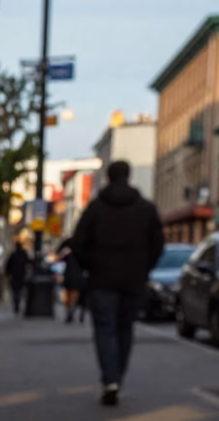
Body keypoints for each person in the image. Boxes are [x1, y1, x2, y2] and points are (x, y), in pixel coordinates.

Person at [71, 160, 164, 406]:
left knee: (105, 329)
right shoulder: (146, 209)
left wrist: (91, 265)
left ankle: (110, 379)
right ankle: (117, 379)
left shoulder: (95, 209)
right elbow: (158, 245)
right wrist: (144, 268)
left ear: (108, 177)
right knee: (125, 329)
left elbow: (78, 243)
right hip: (134, 279)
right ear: (129, 175)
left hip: (102, 279)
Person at [4, 241, 30, 315]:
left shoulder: (13, 255)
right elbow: (29, 262)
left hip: (15, 276)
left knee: (15, 291)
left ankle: (16, 304)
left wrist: (8, 274)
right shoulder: (23, 254)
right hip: (21, 276)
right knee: (20, 291)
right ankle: (17, 303)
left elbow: (8, 266)